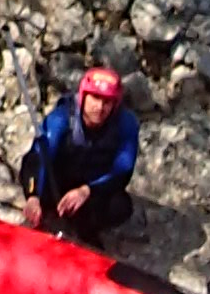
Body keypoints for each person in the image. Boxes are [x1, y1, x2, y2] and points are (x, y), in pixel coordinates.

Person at [22, 67, 140, 244]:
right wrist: (33, 196)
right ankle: (49, 213)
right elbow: (37, 158)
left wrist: (87, 191)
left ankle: (84, 227)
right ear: (83, 97)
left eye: (107, 102)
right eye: (95, 98)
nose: (99, 107)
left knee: (120, 207)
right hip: (58, 185)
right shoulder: (60, 119)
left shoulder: (126, 124)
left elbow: (123, 170)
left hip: (91, 189)